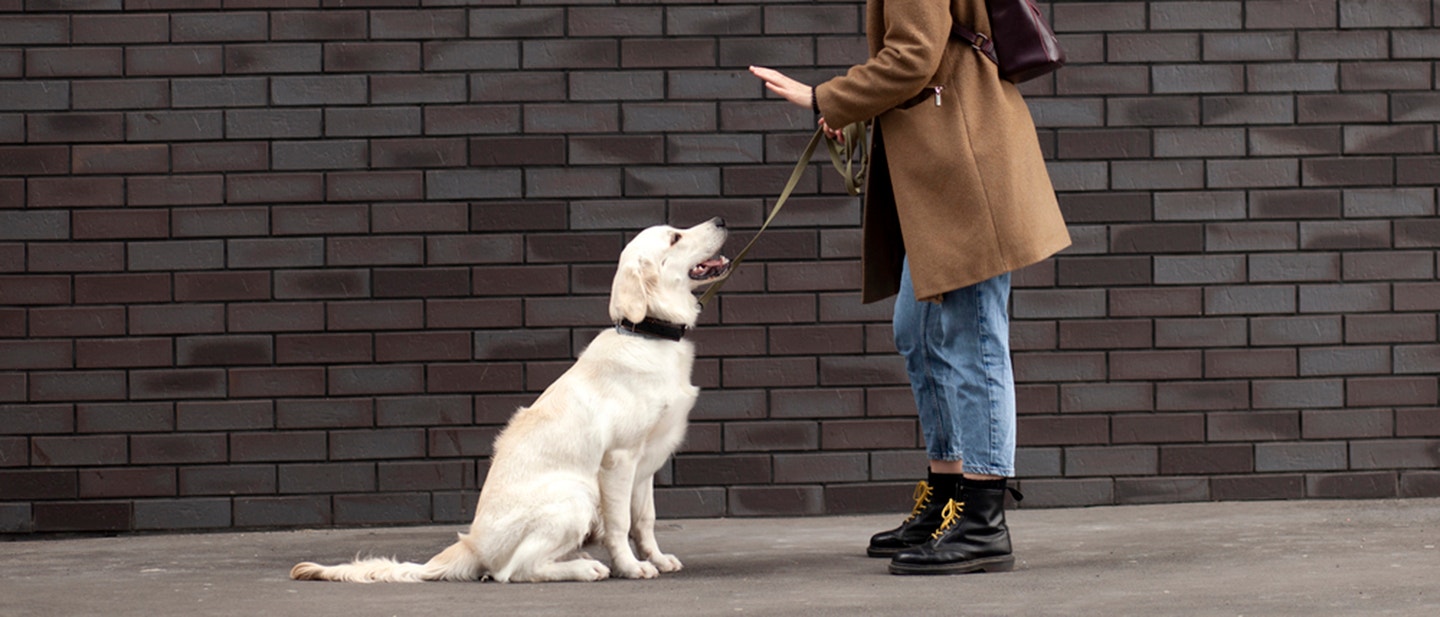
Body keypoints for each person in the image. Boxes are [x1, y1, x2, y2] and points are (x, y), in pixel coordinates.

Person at [749, 0, 1070, 575]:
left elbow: (914, 55)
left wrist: (824, 96)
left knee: (971, 339)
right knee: (919, 333)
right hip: (949, 154)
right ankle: (948, 492)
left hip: (963, 160)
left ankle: (983, 518)